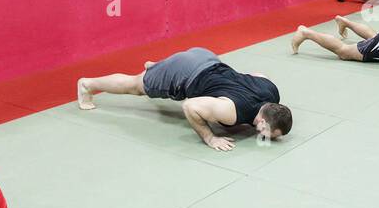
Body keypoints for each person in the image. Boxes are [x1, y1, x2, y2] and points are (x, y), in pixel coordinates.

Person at [77, 48, 292, 151]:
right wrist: (210, 138)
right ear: (262, 121)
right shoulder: (232, 112)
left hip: (206, 57)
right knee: (135, 86)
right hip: (185, 74)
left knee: (155, 74)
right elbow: (190, 106)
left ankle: (157, 69)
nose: (266, 138)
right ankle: (88, 84)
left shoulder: (270, 90)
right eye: (269, 134)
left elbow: (256, 75)